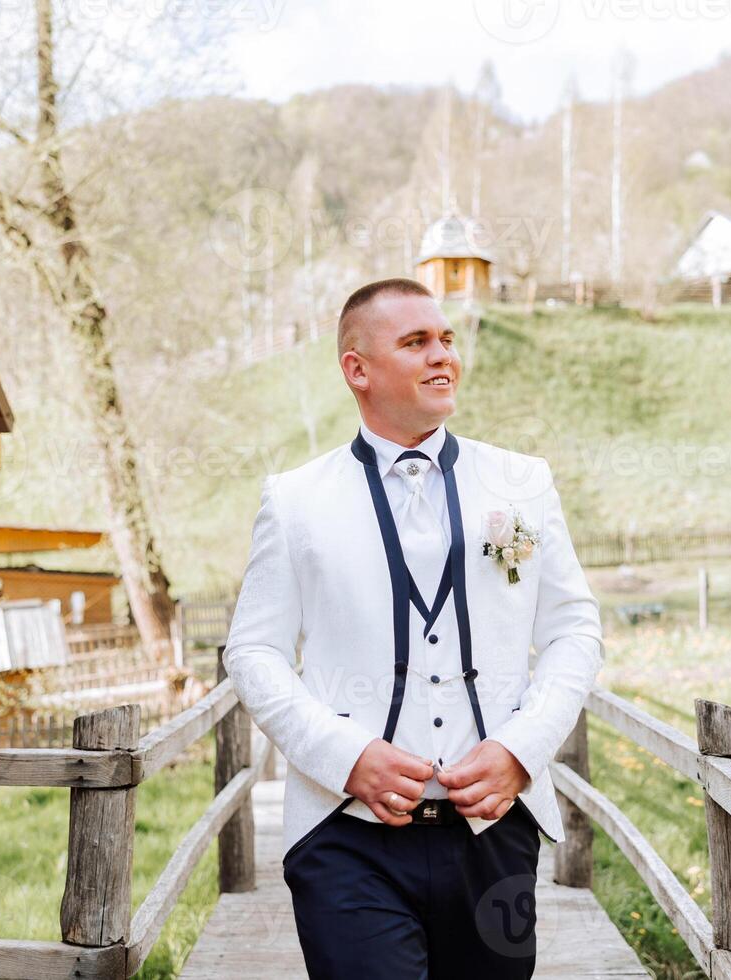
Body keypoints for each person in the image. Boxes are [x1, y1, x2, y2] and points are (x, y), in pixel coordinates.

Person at [223, 277, 604, 978]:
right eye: (416, 341)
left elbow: (574, 628)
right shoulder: (297, 500)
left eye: (447, 339)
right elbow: (253, 651)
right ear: (357, 369)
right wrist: (343, 753)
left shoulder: (521, 484)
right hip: (345, 841)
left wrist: (523, 748)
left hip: (493, 837)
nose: (444, 357)